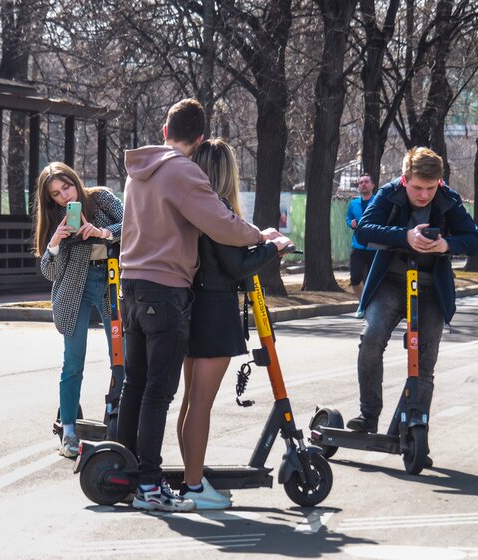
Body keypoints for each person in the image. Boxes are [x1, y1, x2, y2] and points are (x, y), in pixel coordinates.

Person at [117, 98, 281, 512]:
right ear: (201, 137)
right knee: (159, 392)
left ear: (163, 129)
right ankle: (152, 486)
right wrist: (263, 239)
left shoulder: (139, 171)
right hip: (166, 288)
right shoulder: (182, 171)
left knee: (134, 385)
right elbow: (222, 227)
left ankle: (125, 472)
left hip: (132, 284)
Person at [176, 139, 292, 509]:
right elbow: (236, 267)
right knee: (201, 404)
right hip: (215, 309)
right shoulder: (218, 208)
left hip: (192, 306)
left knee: (190, 402)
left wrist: (260, 239)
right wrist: (274, 248)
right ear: (227, 171)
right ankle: (194, 486)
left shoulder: (191, 206)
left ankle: (192, 476)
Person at [348, 147, 478, 442]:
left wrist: (446, 244)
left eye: (430, 188)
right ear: (405, 180)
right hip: (391, 282)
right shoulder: (388, 193)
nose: (424, 195)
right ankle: (368, 415)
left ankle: (416, 425)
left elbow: (475, 240)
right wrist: (404, 235)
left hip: (431, 287)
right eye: (418, 188)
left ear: (440, 183)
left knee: (424, 359)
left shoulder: (449, 199)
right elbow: (364, 231)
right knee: (371, 339)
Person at [33, 162, 123, 459]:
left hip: (110, 281)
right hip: (75, 289)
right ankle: (69, 430)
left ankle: (116, 416)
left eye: (66, 187)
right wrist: (56, 242)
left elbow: (134, 224)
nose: (63, 197)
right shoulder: (56, 219)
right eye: (56, 194)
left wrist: (102, 231)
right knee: (73, 362)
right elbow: (50, 271)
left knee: (120, 357)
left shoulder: (100, 197)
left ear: (75, 180)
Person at [346, 175, 376, 293]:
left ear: (372, 185)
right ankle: (361, 304)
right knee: (355, 278)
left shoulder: (378, 201)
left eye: (366, 182)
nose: (363, 184)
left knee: (372, 278)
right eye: (361, 182)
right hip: (358, 245)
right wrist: (350, 223)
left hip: (374, 246)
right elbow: (349, 218)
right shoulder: (354, 203)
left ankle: (370, 304)